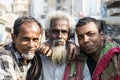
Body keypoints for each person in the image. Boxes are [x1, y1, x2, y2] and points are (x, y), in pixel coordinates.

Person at [39, 11, 91, 80]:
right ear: (47, 34)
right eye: (55, 31)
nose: (59, 36)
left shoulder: (79, 60)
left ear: (69, 36)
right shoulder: (39, 59)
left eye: (64, 32)